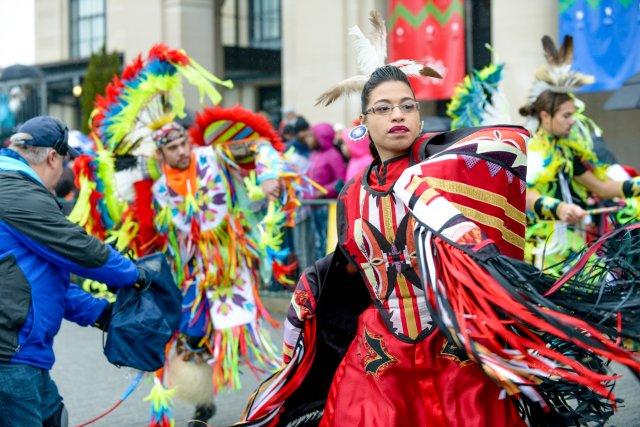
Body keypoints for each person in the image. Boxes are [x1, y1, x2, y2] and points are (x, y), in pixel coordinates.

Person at [238, 12, 640, 427]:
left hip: (455, 350)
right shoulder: (352, 193)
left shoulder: (452, 170)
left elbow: (507, 147)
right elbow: (351, 266)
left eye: (407, 105)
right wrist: (315, 283)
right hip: (379, 357)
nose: (397, 114)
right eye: (383, 108)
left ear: (419, 116)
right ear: (363, 124)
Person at [0, 116, 141, 426]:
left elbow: (46, 281)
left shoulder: (15, 185)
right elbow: (81, 250)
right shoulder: (15, 191)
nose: (65, 172)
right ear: (52, 157)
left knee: (55, 418)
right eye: (65, 162)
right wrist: (135, 275)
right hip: (9, 358)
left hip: (24, 356)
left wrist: (102, 314)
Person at [521, 36, 640, 269]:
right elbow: (527, 196)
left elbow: (602, 188)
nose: (573, 122)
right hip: (538, 250)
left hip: (569, 244)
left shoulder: (567, 152)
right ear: (545, 116)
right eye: (566, 116)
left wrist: (637, 185)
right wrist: (560, 208)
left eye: (573, 114)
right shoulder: (528, 151)